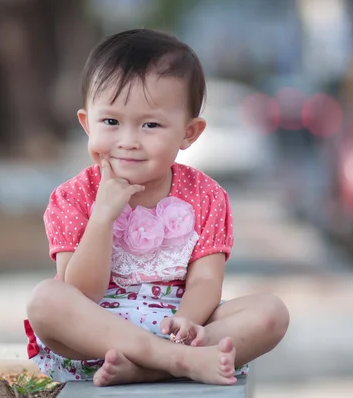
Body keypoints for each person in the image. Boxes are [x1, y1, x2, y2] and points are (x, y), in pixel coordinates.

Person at [24, 28, 289, 387]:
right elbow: (81, 293)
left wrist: (187, 320)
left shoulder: (206, 195)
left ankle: (155, 365)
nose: (128, 141)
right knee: (46, 300)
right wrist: (102, 216)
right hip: (97, 339)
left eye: (150, 124)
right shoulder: (73, 196)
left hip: (180, 329)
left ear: (188, 133)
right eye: (111, 122)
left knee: (271, 313)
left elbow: (207, 280)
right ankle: (174, 362)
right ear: (88, 124)